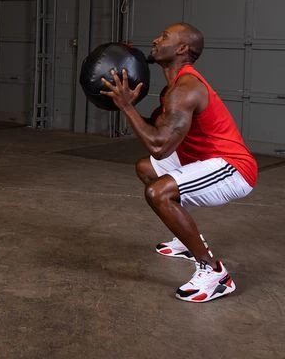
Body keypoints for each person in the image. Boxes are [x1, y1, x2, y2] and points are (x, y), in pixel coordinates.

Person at [100, 22, 257, 303]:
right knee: (146, 168)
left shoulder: (186, 88)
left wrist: (127, 107)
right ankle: (188, 242)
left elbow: (160, 147)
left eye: (164, 37)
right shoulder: (172, 90)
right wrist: (125, 105)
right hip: (204, 159)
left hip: (233, 168)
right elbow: (158, 133)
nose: (155, 40)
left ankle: (214, 273)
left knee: (158, 192)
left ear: (182, 48)